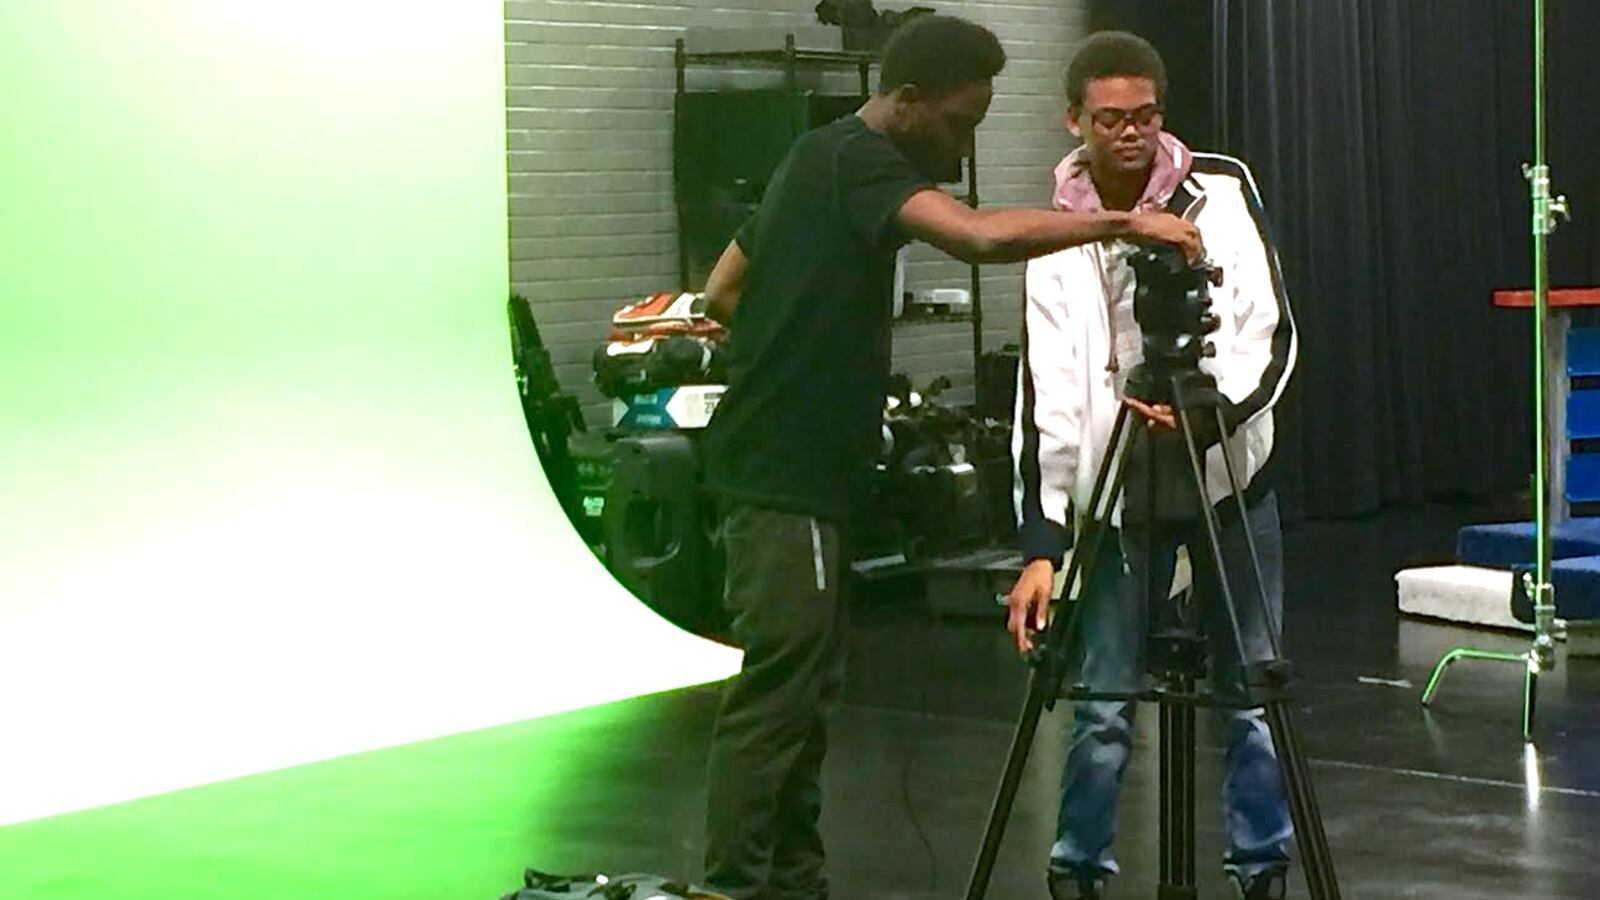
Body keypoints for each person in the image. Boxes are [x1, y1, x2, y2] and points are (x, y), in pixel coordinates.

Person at [695, 15, 1201, 900]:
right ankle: (734, 886)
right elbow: (976, 237)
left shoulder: (808, 157)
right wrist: (1125, 222)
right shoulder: (860, 161)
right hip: (787, 475)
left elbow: (722, 288)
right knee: (780, 692)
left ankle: (792, 881)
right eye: (962, 122)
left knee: (807, 690)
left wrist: (794, 351)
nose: (965, 145)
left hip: (790, 466)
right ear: (908, 101)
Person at [1004, 31, 1299, 900]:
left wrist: (1206, 417)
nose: (1130, 133)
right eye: (1109, 119)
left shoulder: (1224, 192)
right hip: (1113, 491)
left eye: (1144, 115)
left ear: (1162, 115)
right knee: (1100, 702)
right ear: (1075, 120)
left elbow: (1272, 337)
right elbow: (1045, 393)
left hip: (1227, 476)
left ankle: (1261, 868)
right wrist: (1042, 540)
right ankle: (1078, 870)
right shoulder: (1055, 227)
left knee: (1247, 693)